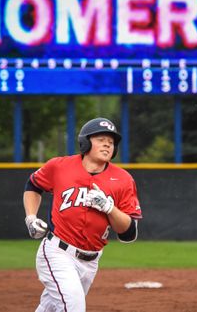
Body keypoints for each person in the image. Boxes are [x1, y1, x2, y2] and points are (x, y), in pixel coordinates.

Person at [23, 117, 142, 312]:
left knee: (50, 308)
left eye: (111, 142)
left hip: (91, 261)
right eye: (101, 139)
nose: (107, 144)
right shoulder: (59, 166)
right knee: (74, 307)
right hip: (57, 252)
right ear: (85, 142)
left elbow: (129, 234)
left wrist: (109, 208)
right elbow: (33, 185)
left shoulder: (123, 179)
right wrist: (31, 217)